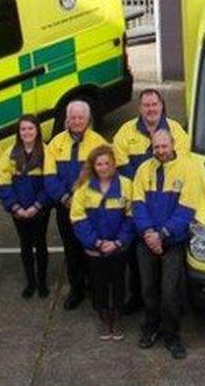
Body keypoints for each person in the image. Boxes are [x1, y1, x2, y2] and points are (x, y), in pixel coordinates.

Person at [112, 88, 190, 314]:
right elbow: (123, 169)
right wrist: (140, 190)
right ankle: (137, 298)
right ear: (140, 108)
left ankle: (175, 305)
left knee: (173, 270)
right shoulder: (126, 132)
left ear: (162, 105)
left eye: (154, 104)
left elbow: (182, 167)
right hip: (139, 204)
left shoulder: (176, 130)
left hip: (169, 205)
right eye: (146, 105)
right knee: (137, 262)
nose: (151, 109)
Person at [133, 129, 202, 360]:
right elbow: (138, 204)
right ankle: (150, 329)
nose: (160, 151)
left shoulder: (188, 169)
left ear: (172, 144)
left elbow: (186, 209)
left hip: (172, 242)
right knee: (148, 289)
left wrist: (161, 234)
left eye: (164, 146)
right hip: (147, 241)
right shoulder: (143, 170)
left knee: (170, 292)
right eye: (156, 147)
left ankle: (172, 336)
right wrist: (149, 233)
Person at [45, 100, 114, 310]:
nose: (76, 121)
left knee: (91, 247)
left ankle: (95, 288)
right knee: (71, 248)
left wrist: (84, 200)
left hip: (90, 209)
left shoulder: (98, 143)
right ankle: (76, 290)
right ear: (67, 119)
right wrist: (65, 198)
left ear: (88, 119)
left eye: (80, 118)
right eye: (73, 118)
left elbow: (105, 175)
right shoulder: (56, 143)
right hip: (65, 206)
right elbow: (49, 176)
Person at [71, 145, 135, 341]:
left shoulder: (126, 185)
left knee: (118, 282)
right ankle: (103, 316)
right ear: (93, 166)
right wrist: (95, 242)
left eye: (107, 163)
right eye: (99, 164)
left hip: (118, 248)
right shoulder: (84, 189)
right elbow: (77, 218)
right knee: (98, 284)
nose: (103, 167)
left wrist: (118, 242)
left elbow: (131, 217)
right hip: (95, 250)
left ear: (114, 164)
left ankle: (117, 317)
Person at [0, 115, 52, 299]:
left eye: (31, 129)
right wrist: (15, 207)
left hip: (40, 209)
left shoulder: (46, 152)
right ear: (18, 133)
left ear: (37, 130)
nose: (27, 132)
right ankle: (31, 282)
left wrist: (37, 206)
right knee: (25, 244)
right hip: (18, 210)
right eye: (23, 129)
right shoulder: (9, 153)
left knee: (40, 244)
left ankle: (42, 282)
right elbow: (2, 183)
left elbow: (49, 182)